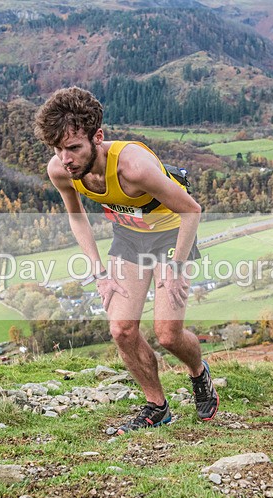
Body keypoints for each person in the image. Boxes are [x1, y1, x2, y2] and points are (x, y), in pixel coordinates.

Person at [34, 87, 219, 434]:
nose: (66, 159)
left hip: (170, 236)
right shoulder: (60, 171)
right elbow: (77, 218)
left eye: (74, 148)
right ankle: (157, 406)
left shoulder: (134, 168)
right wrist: (99, 272)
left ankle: (199, 373)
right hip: (129, 239)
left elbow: (192, 211)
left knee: (168, 334)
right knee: (121, 329)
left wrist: (176, 269)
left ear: (98, 137)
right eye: (58, 150)